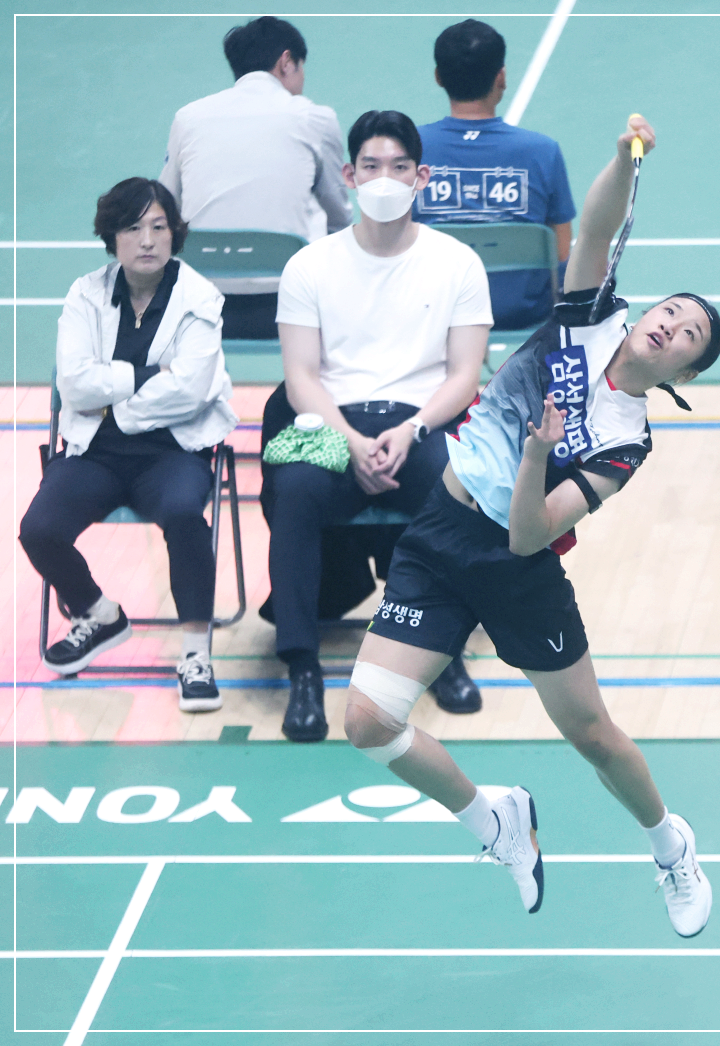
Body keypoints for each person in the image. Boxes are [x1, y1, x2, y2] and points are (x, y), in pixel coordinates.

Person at [342, 115, 720, 936]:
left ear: (683, 373)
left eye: (688, 334)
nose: (670, 323)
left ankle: (670, 845)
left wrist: (536, 454)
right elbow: (597, 229)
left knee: (592, 735)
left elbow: (529, 536)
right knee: (368, 721)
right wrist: (623, 156)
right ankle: (495, 821)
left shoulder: (625, 441)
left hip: (515, 566)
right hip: (441, 530)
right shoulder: (590, 316)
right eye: (671, 309)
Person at [262, 109, 493, 742]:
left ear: (422, 176)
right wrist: (350, 441)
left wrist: (413, 429)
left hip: (421, 421)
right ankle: (303, 668)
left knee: (451, 486)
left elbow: (464, 374)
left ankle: (440, 653)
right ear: (349, 175)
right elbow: (300, 376)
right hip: (330, 422)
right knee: (296, 489)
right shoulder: (310, 265)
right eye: (371, 166)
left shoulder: (458, 263)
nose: (384, 178)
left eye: (398, 166)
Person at [19, 178, 238, 713]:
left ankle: (195, 655)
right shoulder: (85, 294)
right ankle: (99, 614)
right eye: (133, 228)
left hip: (173, 452)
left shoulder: (199, 298)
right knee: (39, 530)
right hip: (95, 452)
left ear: (174, 234)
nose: (147, 240)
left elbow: (190, 390)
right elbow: (74, 384)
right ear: (111, 237)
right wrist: (146, 376)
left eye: (159, 227)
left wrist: (113, 402)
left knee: (184, 514)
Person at [159, 16, 352, 340]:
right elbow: (339, 219)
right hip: (291, 306)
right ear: (286, 62)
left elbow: (165, 207)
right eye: (301, 68)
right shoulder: (315, 118)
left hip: (200, 307)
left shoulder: (187, 118)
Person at [414, 19, 575, 329]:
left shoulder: (409, 148)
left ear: (438, 77)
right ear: (501, 77)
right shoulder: (543, 151)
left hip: (434, 309)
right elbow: (561, 251)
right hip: (523, 312)